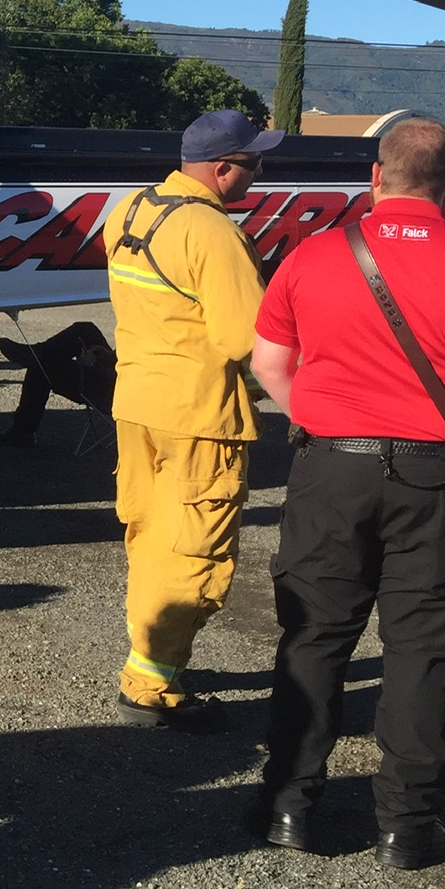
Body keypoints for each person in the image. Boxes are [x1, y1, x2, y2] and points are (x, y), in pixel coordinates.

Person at [246, 117, 445, 868]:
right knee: (426, 650)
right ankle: (405, 826)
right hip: (442, 476)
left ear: (374, 176)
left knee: (312, 636)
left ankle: (286, 807)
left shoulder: (311, 255)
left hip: (329, 469)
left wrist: (320, 419)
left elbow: (269, 362)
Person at [100, 108, 278, 729]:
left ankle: (149, 658)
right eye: (255, 164)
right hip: (199, 415)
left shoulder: (128, 210)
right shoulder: (213, 233)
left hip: (138, 404)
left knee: (150, 537)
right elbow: (245, 339)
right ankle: (151, 688)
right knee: (193, 550)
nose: (259, 175)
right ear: (223, 167)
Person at [0, 321, 116, 446]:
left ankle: (22, 431)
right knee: (85, 330)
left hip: (119, 388)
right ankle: (37, 353)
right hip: (120, 372)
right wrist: (109, 356)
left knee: (44, 365)